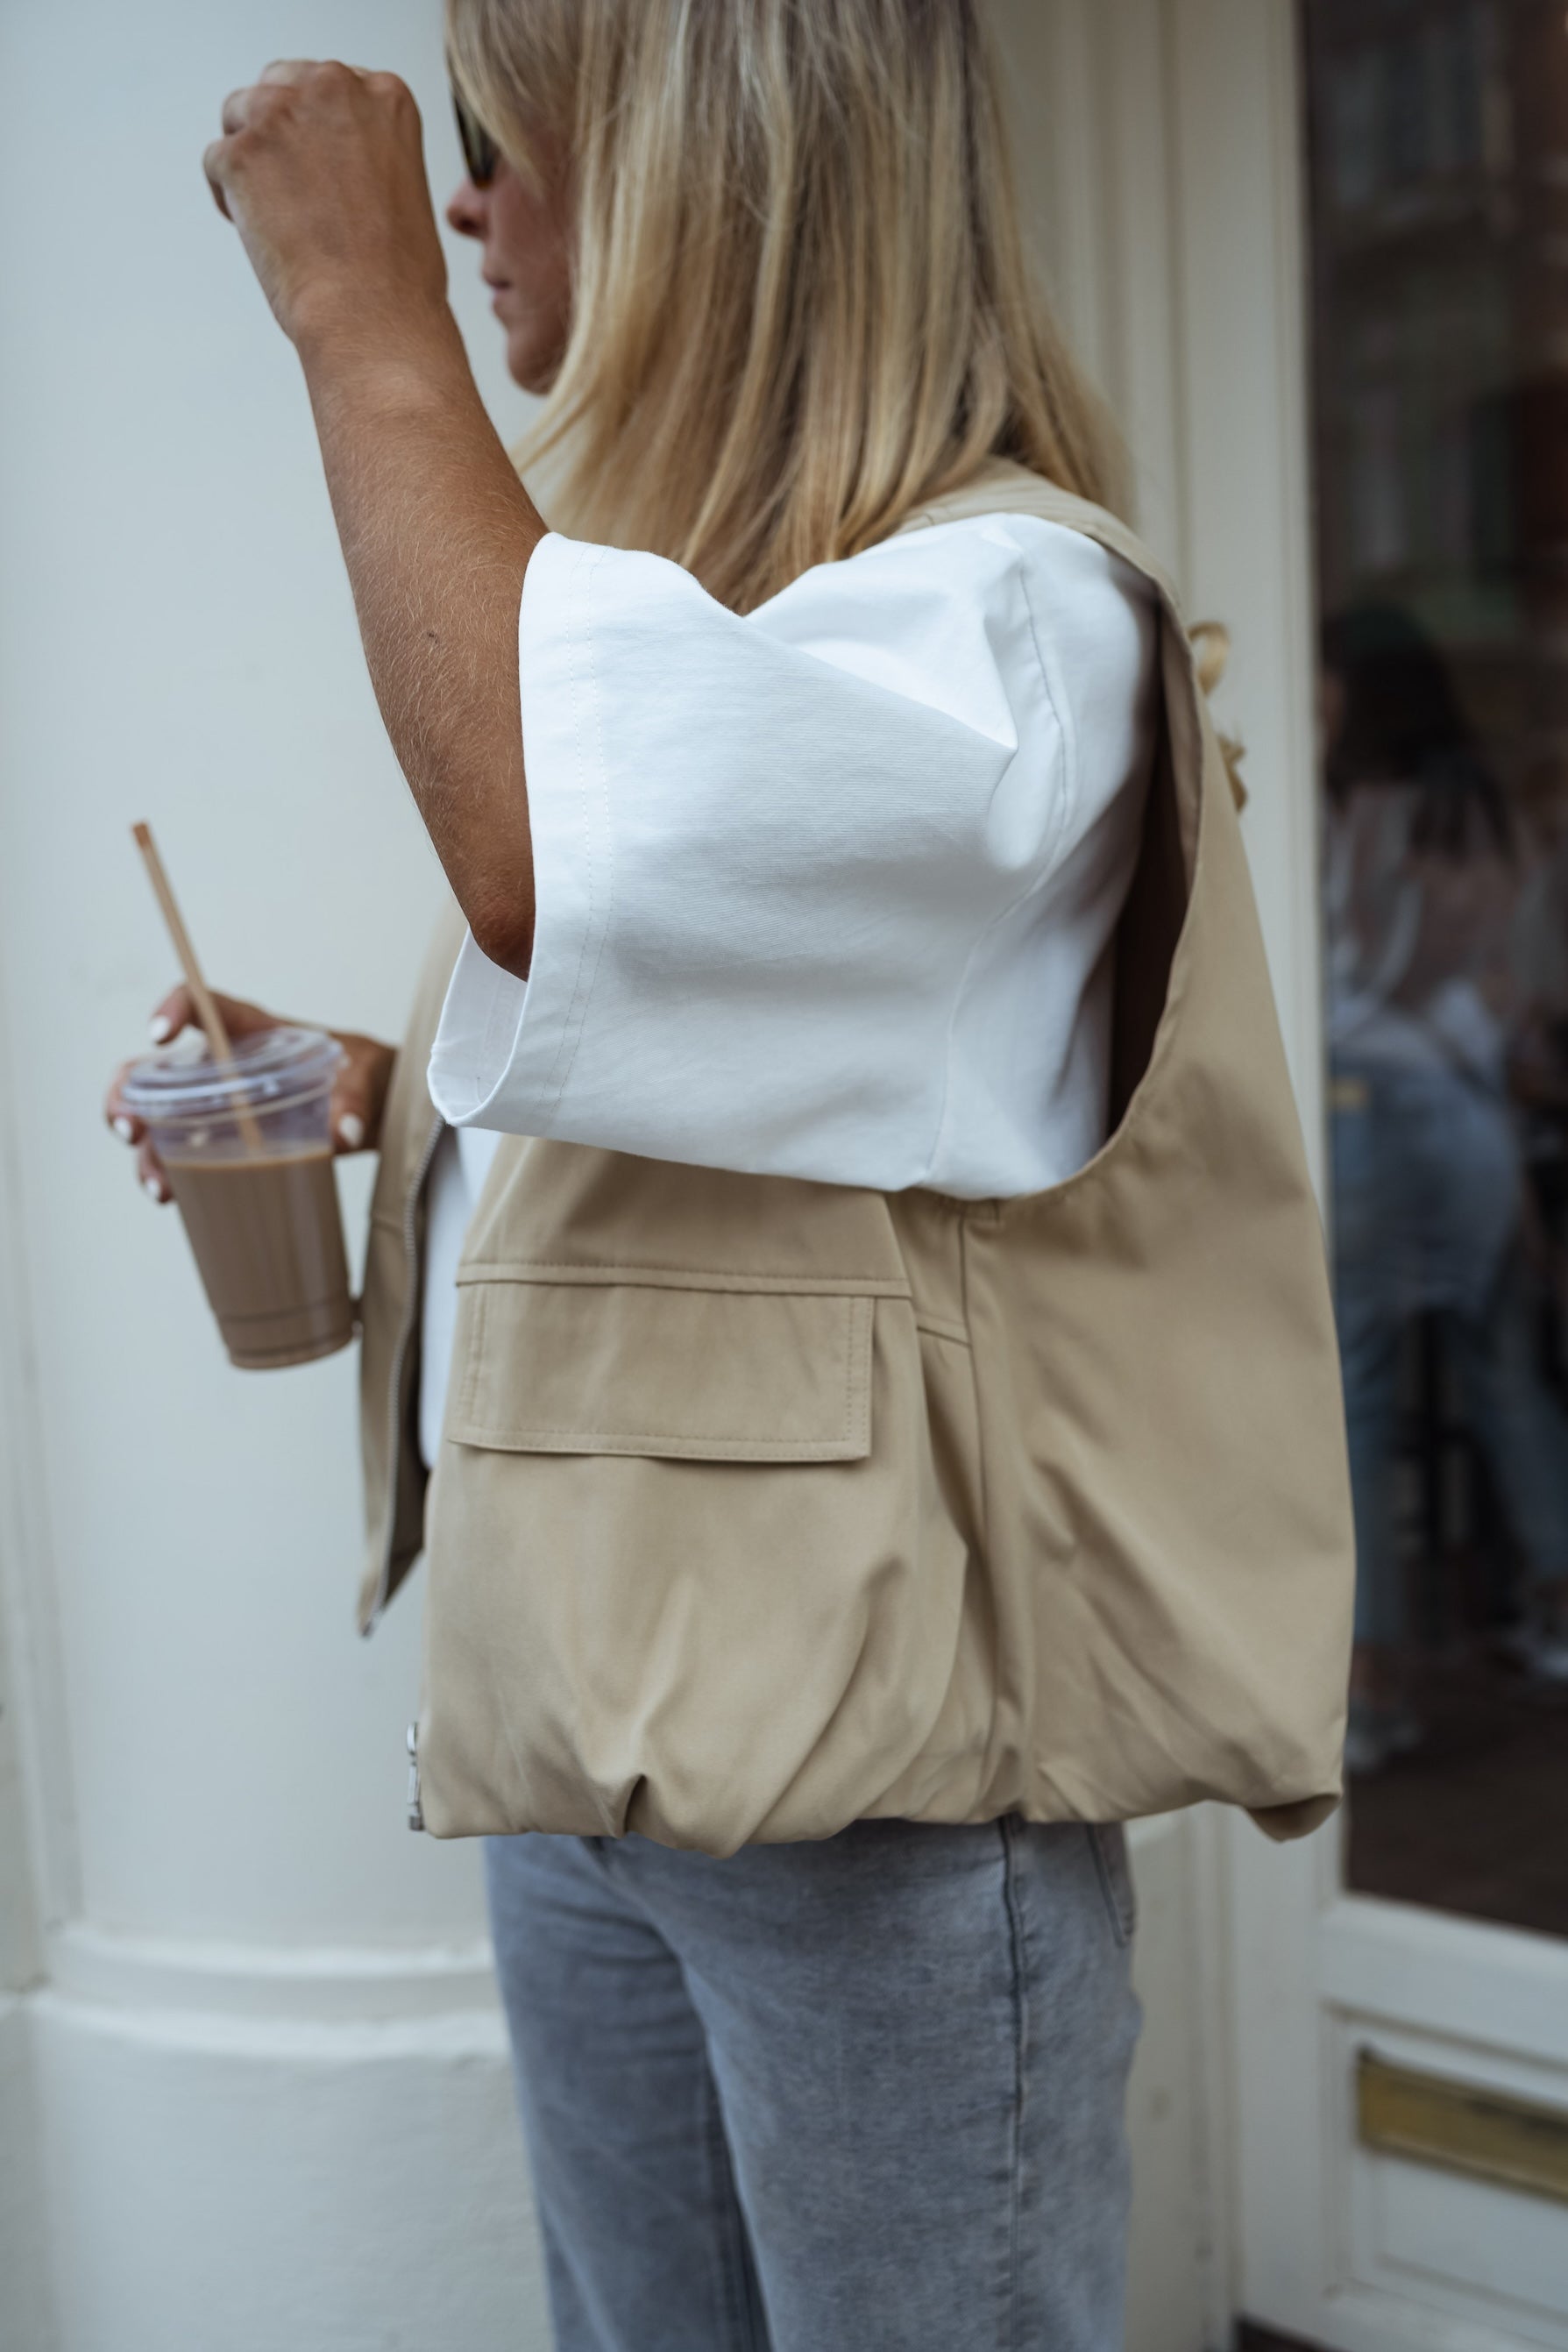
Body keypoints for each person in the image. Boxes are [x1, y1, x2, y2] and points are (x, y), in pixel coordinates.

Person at [103, 7, 1346, 2345]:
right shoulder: (710, 629)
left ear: (708, 166)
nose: (461, 203)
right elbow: (752, 1068)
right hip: (588, 1713)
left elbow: (549, 860)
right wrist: (387, 1090)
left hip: (861, 1781)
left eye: (504, 142)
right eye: (443, 162)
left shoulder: (1006, 614)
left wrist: (357, 317)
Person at [1322, 606, 1568, 1775]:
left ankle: (1367, 1684)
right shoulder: (1486, 811)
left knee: (1355, 1408)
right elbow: (1519, 993)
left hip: (1368, 1117)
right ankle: (1555, 1613)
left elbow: (1351, 977)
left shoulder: (1363, 810)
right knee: (1505, 1379)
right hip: (1472, 1120)